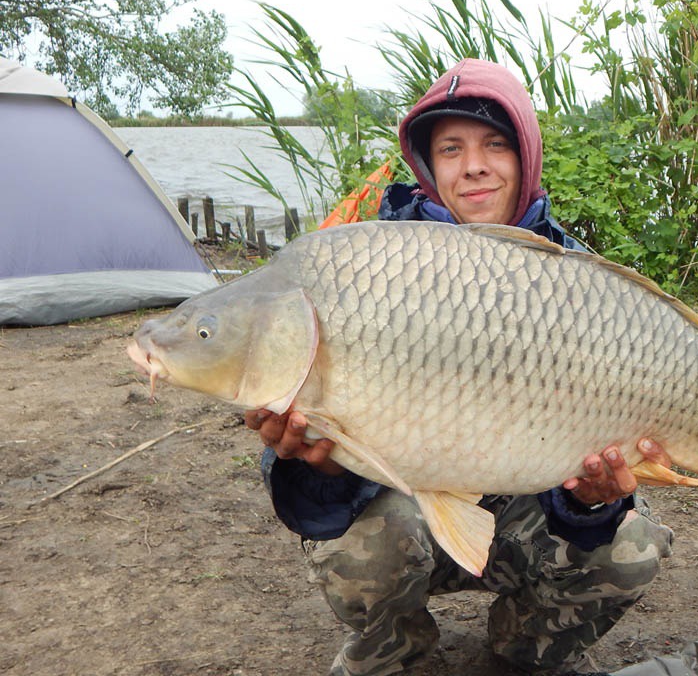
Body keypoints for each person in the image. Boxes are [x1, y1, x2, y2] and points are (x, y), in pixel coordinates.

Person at [245, 58, 675, 676]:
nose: (473, 164)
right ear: (428, 166)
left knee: (629, 545)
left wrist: (593, 502)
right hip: (412, 514)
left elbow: (588, 492)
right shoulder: (365, 269)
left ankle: (525, 645)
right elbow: (315, 513)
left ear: (525, 156)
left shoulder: (578, 281)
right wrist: (313, 464)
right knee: (362, 550)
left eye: (494, 144)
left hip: (529, 512)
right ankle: (398, 649)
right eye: (451, 147)